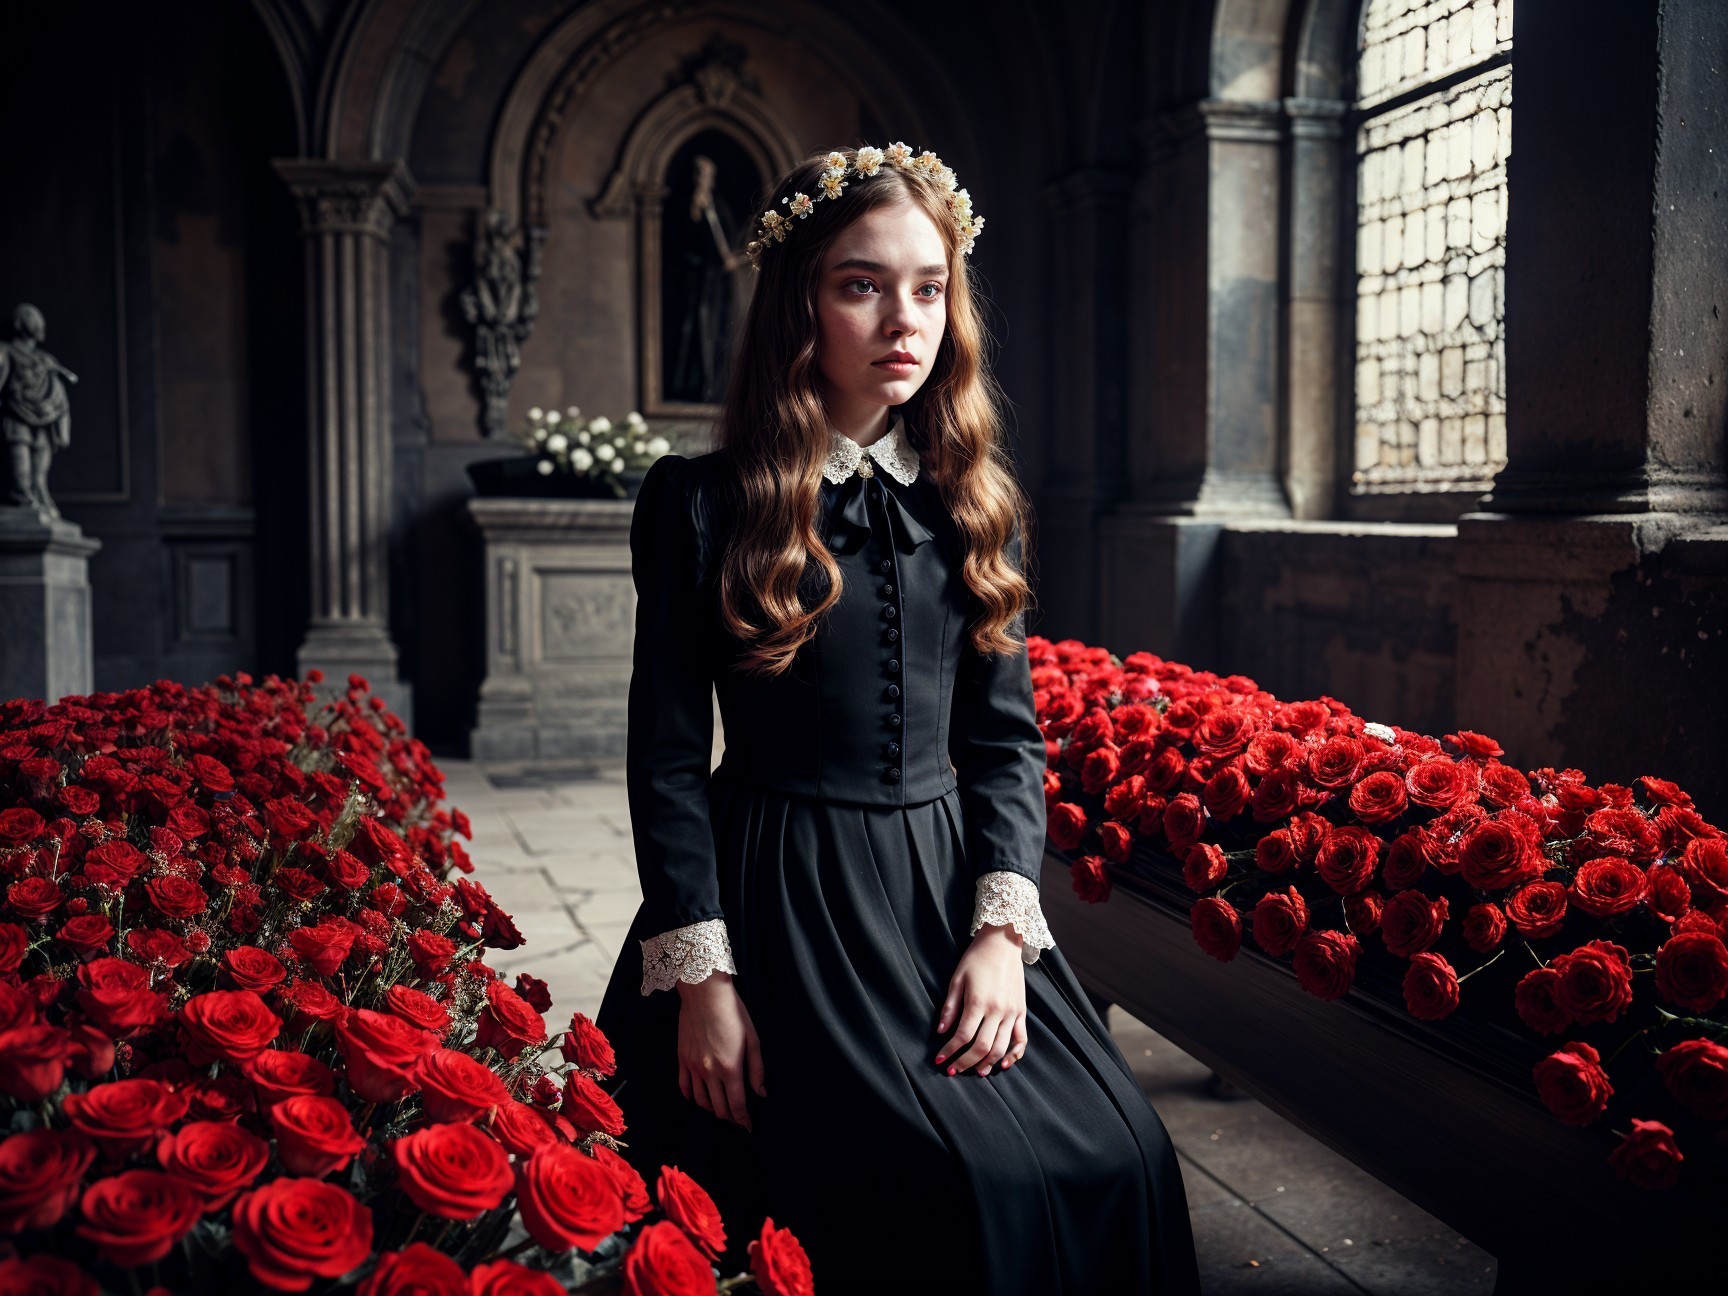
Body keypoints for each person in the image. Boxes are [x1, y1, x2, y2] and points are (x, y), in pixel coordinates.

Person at [593, 143, 1200, 1294]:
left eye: (929, 287)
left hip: (942, 891)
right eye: (861, 284)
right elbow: (669, 759)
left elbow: (1005, 745)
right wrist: (704, 982)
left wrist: (999, 938)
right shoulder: (700, 503)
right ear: (800, 305)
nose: (902, 319)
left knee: (1124, 1150)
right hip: (779, 892)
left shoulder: (976, 503)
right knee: (945, 1180)